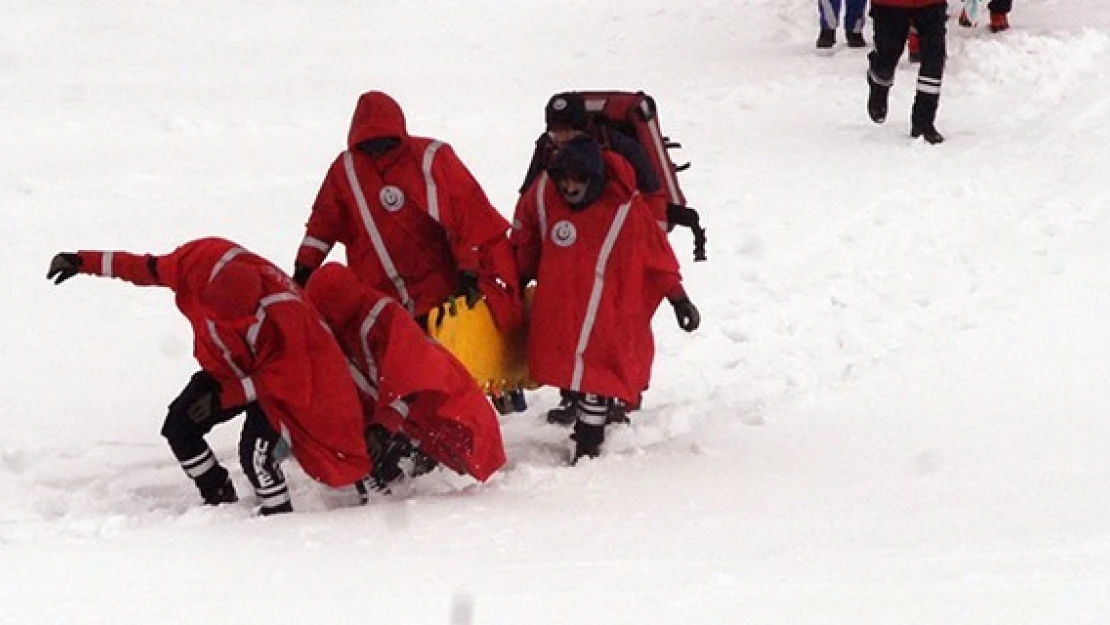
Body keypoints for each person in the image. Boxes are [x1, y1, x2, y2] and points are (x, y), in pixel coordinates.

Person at [46, 237, 371, 515]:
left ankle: (279, 523)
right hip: (226, 370)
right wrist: (81, 261)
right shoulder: (190, 265)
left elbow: (293, 374)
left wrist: (228, 396)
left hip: (276, 385)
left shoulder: (286, 313)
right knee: (178, 426)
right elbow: (143, 268)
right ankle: (218, 498)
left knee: (256, 456)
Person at [510, 137, 700, 463]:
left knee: (598, 373)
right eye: (564, 178)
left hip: (607, 312)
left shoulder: (625, 209)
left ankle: (589, 442)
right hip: (560, 308)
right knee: (572, 371)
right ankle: (589, 423)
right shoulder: (543, 196)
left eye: (578, 179)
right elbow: (524, 241)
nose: (570, 187)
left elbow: (655, 257)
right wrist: (513, 278)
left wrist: (678, 298)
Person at [293, 90, 522, 335]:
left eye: (384, 143)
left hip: (439, 290)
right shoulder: (345, 170)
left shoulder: (431, 158)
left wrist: (469, 270)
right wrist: (305, 267)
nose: (378, 150)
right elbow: (323, 223)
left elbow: (468, 216)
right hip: (382, 294)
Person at [518, 92, 672, 424]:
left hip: (619, 248)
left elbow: (650, 194)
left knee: (619, 324)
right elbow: (529, 195)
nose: (560, 136)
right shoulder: (547, 151)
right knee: (567, 321)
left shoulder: (617, 148)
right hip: (566, 248)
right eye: (554, 129)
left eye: (567, 129)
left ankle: (617, 393)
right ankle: (576, 393)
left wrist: (648, 249)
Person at [303, 263, 507, 488]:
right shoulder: (345, 328)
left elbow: (408, 380)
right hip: (416, 423)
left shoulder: (382, 318)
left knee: (477, 482)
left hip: (447, 411)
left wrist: (381, 428)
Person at [866, 0, 948, 144]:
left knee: (934, 57)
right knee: (887, 58)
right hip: (889, 4)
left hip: (931, 4)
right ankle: (879, 83)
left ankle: (923, 121)